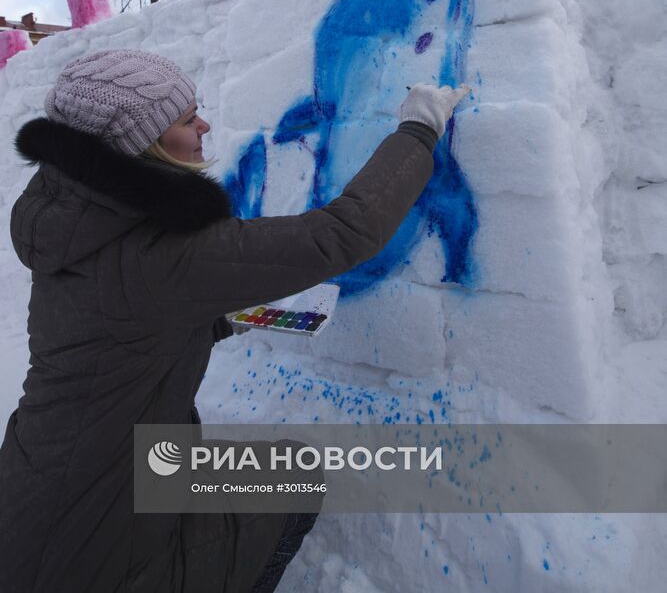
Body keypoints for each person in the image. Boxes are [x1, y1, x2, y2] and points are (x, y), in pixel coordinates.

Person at [0, 48, 470, 593]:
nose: (204, 124)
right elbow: (340, 235)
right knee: (294, 475)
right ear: (140, 146)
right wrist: (418, 131)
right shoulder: (155, 252)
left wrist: (235, 317)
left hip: (36, 505)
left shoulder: (80, 227)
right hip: (100, 558)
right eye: (184, 120)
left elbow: (128, 332)